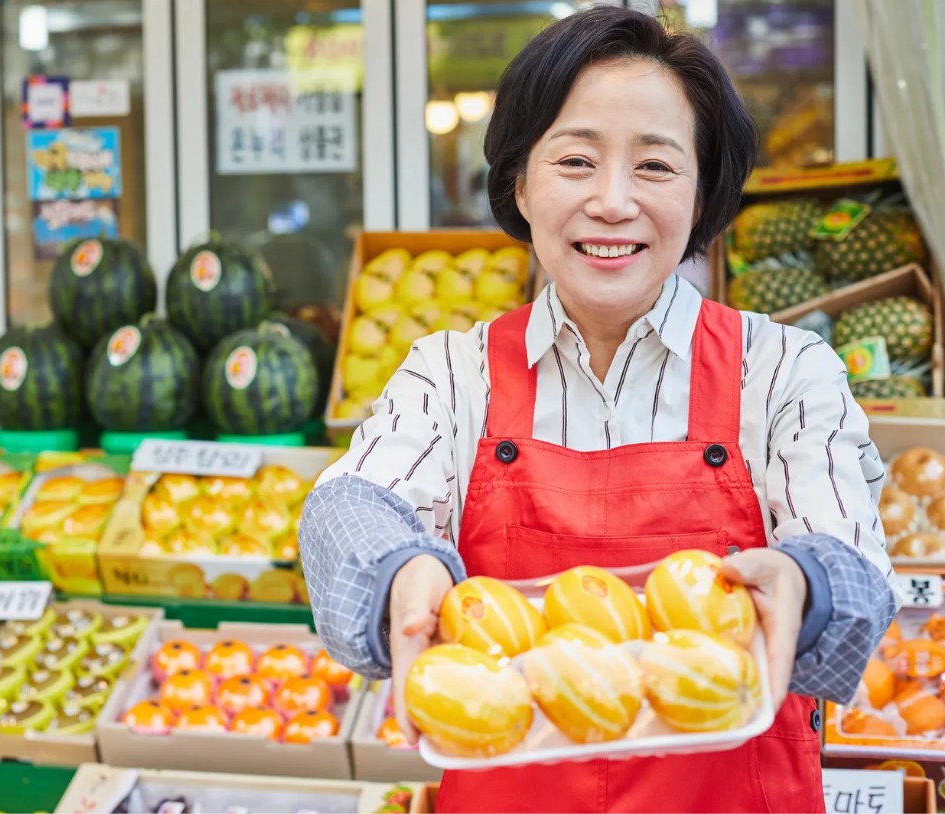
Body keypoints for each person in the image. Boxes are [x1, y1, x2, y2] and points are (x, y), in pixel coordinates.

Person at [299, 6, 899, 812]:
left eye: (655, 166)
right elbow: (349, 506)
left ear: (702, 189)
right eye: (575, 160)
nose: (613, 202)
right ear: (519, 180)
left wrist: (803, 581)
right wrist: (404, 574)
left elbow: (855, 566)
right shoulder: (451, 373)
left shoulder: (786, 370)